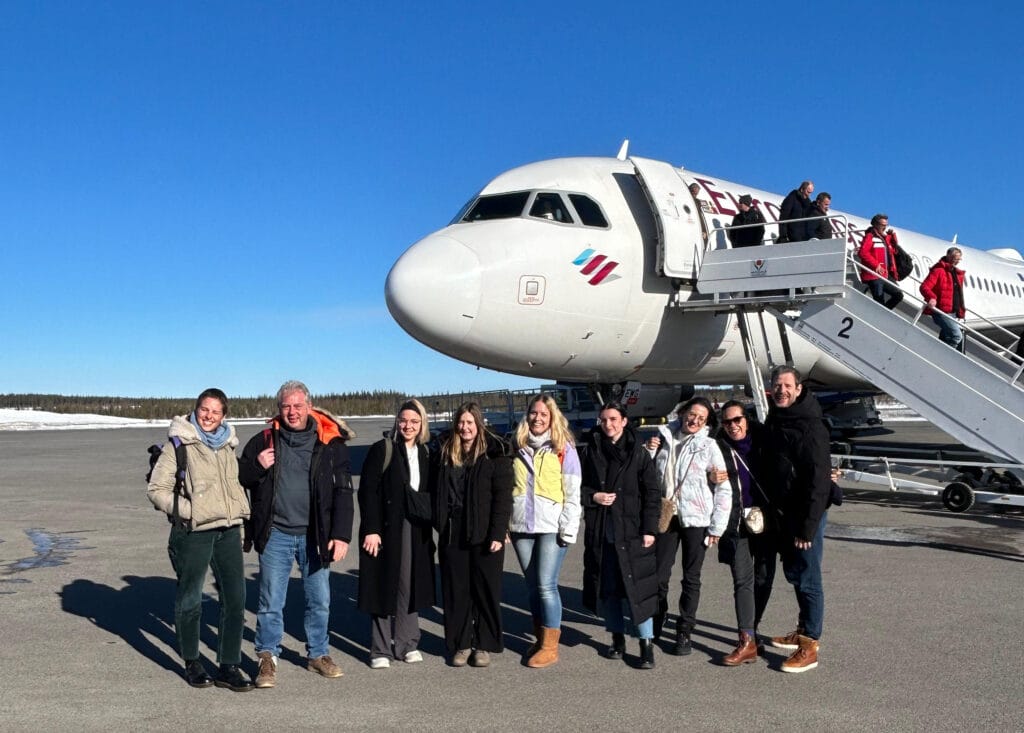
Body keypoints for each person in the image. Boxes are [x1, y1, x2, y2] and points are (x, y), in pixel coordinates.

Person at [239, 380, 354, 688]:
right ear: (279, 409)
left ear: (309, 407)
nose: (292, 412)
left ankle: (318, 654)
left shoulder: (330, 442)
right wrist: (258, 467)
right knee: (270, 600)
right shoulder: (263, 439)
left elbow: (344, 491)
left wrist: (341, 535)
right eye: (286, 406)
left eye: (298, 406)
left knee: (319, 599)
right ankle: (267, 656)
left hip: (315, 534)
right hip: (275, 532)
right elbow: (242, 478)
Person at [147, 388, 254, 692]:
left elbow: (233, 488)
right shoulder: (179, 444)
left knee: (235, 598)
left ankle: (228, 665)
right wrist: (190, 511)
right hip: (193, 532)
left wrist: (241, 525)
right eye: (205, 410)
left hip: (229, 530)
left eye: (216, 412)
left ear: (224, 416)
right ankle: (192, 661)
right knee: (190, 597)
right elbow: (156, 490)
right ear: (196, 410)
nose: (209, 416)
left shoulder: (227, 447)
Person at [646, 397, 731, 656]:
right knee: (659, 575)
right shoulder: (661, 438)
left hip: (697, 519)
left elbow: (723, 487)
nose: (694, 421)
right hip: (667, 516)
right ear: (682, 413)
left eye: (701, 418)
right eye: (692, 414)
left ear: (706, 423)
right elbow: (647, 474)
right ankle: (657, 618)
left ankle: (685, 629)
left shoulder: (708, 445)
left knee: (691, 577)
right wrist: (649, 450)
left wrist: (717, 526)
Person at [431, 402, 513, 668]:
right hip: (453, 530)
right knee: (456, 591)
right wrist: (438, 520)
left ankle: (483, 644)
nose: (464, 427)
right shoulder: (444, 451)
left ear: (479, 425)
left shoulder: (494, 453)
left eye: (470, 423)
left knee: (485, 590)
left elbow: (503, 498)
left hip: (485, 531)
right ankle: (461, 644)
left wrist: (498, 533)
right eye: (461, 422)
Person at [763, 366, 833, 673]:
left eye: (787, 385)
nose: (782, 390)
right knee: (795, 572)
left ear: (799, 389)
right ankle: (802, 629)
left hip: (806, 514)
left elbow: (819, 482)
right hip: (785, 512)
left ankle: (810, 645)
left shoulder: (811, 426)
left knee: (808, 578)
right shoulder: (777, 419)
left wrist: (808, 525)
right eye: (777, 385)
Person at [581, 402, 661, 669]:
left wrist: (650, 529)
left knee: (639, 590)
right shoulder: (591, 450)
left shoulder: (638, 453)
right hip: (603, 531)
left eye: (614, 419)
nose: (608, 425)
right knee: (610, 590)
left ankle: (646, 644)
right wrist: (594, 496)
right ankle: (617, 638)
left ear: (624, 421)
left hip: (633, 531)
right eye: (604, 420)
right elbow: (579, 487)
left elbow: (652, 493)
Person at [358, 399, 436, 669]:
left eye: (414, 421)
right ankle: (380, 648)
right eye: (403, 420)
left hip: (416, 528)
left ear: (422, 424)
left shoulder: (425, 452)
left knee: (410, 585)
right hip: (386, 527)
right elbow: (367, 492)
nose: (408, 426)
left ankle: (407, 642)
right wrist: (371, 529)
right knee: (383, 584)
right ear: (396, 421)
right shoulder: (384, 449)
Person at [509, 394, 582, 668]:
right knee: (531, 587)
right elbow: (510, 487)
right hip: (521, 525)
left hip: (552, 526)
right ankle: (540, 638)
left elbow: (573, 492)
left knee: (546, 585)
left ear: (552, 417)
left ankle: (551, 646)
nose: (537, 418)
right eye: (533, 413)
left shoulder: (564, 448)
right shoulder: (517, 445)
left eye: (543, 414)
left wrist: (568, 528)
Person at [711, 401, 778, 666]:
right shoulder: (717, 446)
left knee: (764, 577)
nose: (733, 426)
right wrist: (710, 477)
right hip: (736, 520)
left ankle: (754, 626)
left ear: (746, 419)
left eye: (737, 419)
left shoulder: (764, 441)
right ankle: (746, 638)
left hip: (766, 520)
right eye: (727, 422)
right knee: (742, 578)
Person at [920, 247, 967, 350]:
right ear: (949, 257)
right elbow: (924, 287)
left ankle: (939, 355)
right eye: (956, 259)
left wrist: (960, 311)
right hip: (941, 312)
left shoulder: (955, 273)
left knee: (946, 338)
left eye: (959, 259)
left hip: (953, 313)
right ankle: (946, 357)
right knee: (956, 336)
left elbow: (957, 294)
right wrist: (931, 297)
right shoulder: (939, 271)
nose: (958, 261)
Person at [859, 214, 905, 310]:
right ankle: (881, 315)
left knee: (898, 295)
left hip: (885, 274)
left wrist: (893, 237)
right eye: (882, 225)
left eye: (886, 225)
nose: (884, 227)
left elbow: (894, 251)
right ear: (875, 224)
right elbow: (862, 252)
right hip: (874, 275)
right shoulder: (870, 236)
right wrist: (876, 265)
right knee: (879, 300)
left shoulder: (884, 238)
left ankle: (883, 313)